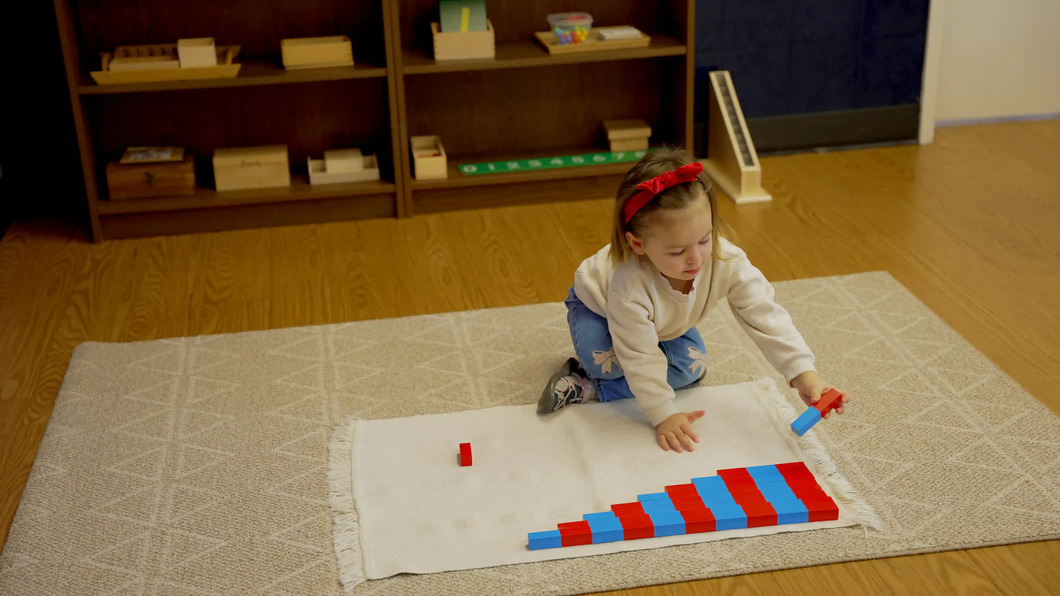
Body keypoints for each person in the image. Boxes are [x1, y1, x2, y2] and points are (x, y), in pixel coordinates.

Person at [539, 148, 848, 452]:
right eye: (677, 251)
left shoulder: (726, 260)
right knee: (609, 364)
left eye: (704, 239)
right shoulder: (629, 286)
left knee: (691, 369)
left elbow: (764, 313)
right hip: (598, 308)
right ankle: (584, 383)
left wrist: (801, 372)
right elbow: (638, 354)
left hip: (663, 321)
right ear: (637, 243)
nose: (696, 258)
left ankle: (593, 390)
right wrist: (663, 414)